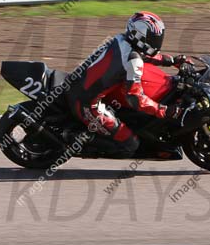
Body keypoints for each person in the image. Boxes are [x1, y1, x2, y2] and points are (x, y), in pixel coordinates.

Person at [65, 11, 187, 158]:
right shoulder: (132, 59)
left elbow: (143, 56)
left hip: (80, 86)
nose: (157, 42)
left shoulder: (121, 40)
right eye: (153, 38)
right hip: (86, 103)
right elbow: (135, 98)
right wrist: (164, 111)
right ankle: (79, 140)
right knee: (129, 144)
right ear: (140, 36)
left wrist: (171, 61)